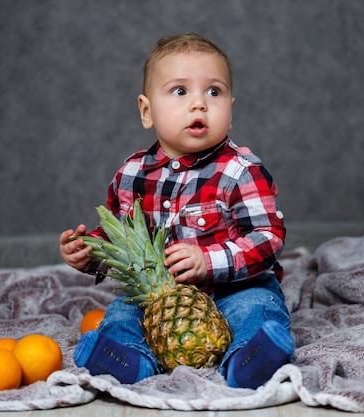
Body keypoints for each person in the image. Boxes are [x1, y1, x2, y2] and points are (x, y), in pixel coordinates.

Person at [59, 32, 294, 389]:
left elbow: (267, 237)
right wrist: (88, 251)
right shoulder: (132, 175)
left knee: (258, 309)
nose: (199, 104)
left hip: (235, 290)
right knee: (121, 315)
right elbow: (119, 238)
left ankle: (247, 361)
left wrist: (207, 261)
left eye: (213, 92)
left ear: (230, 111)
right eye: (180, 91)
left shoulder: (240, 170)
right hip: (159, 304)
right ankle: (130, 361)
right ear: (146, 111)